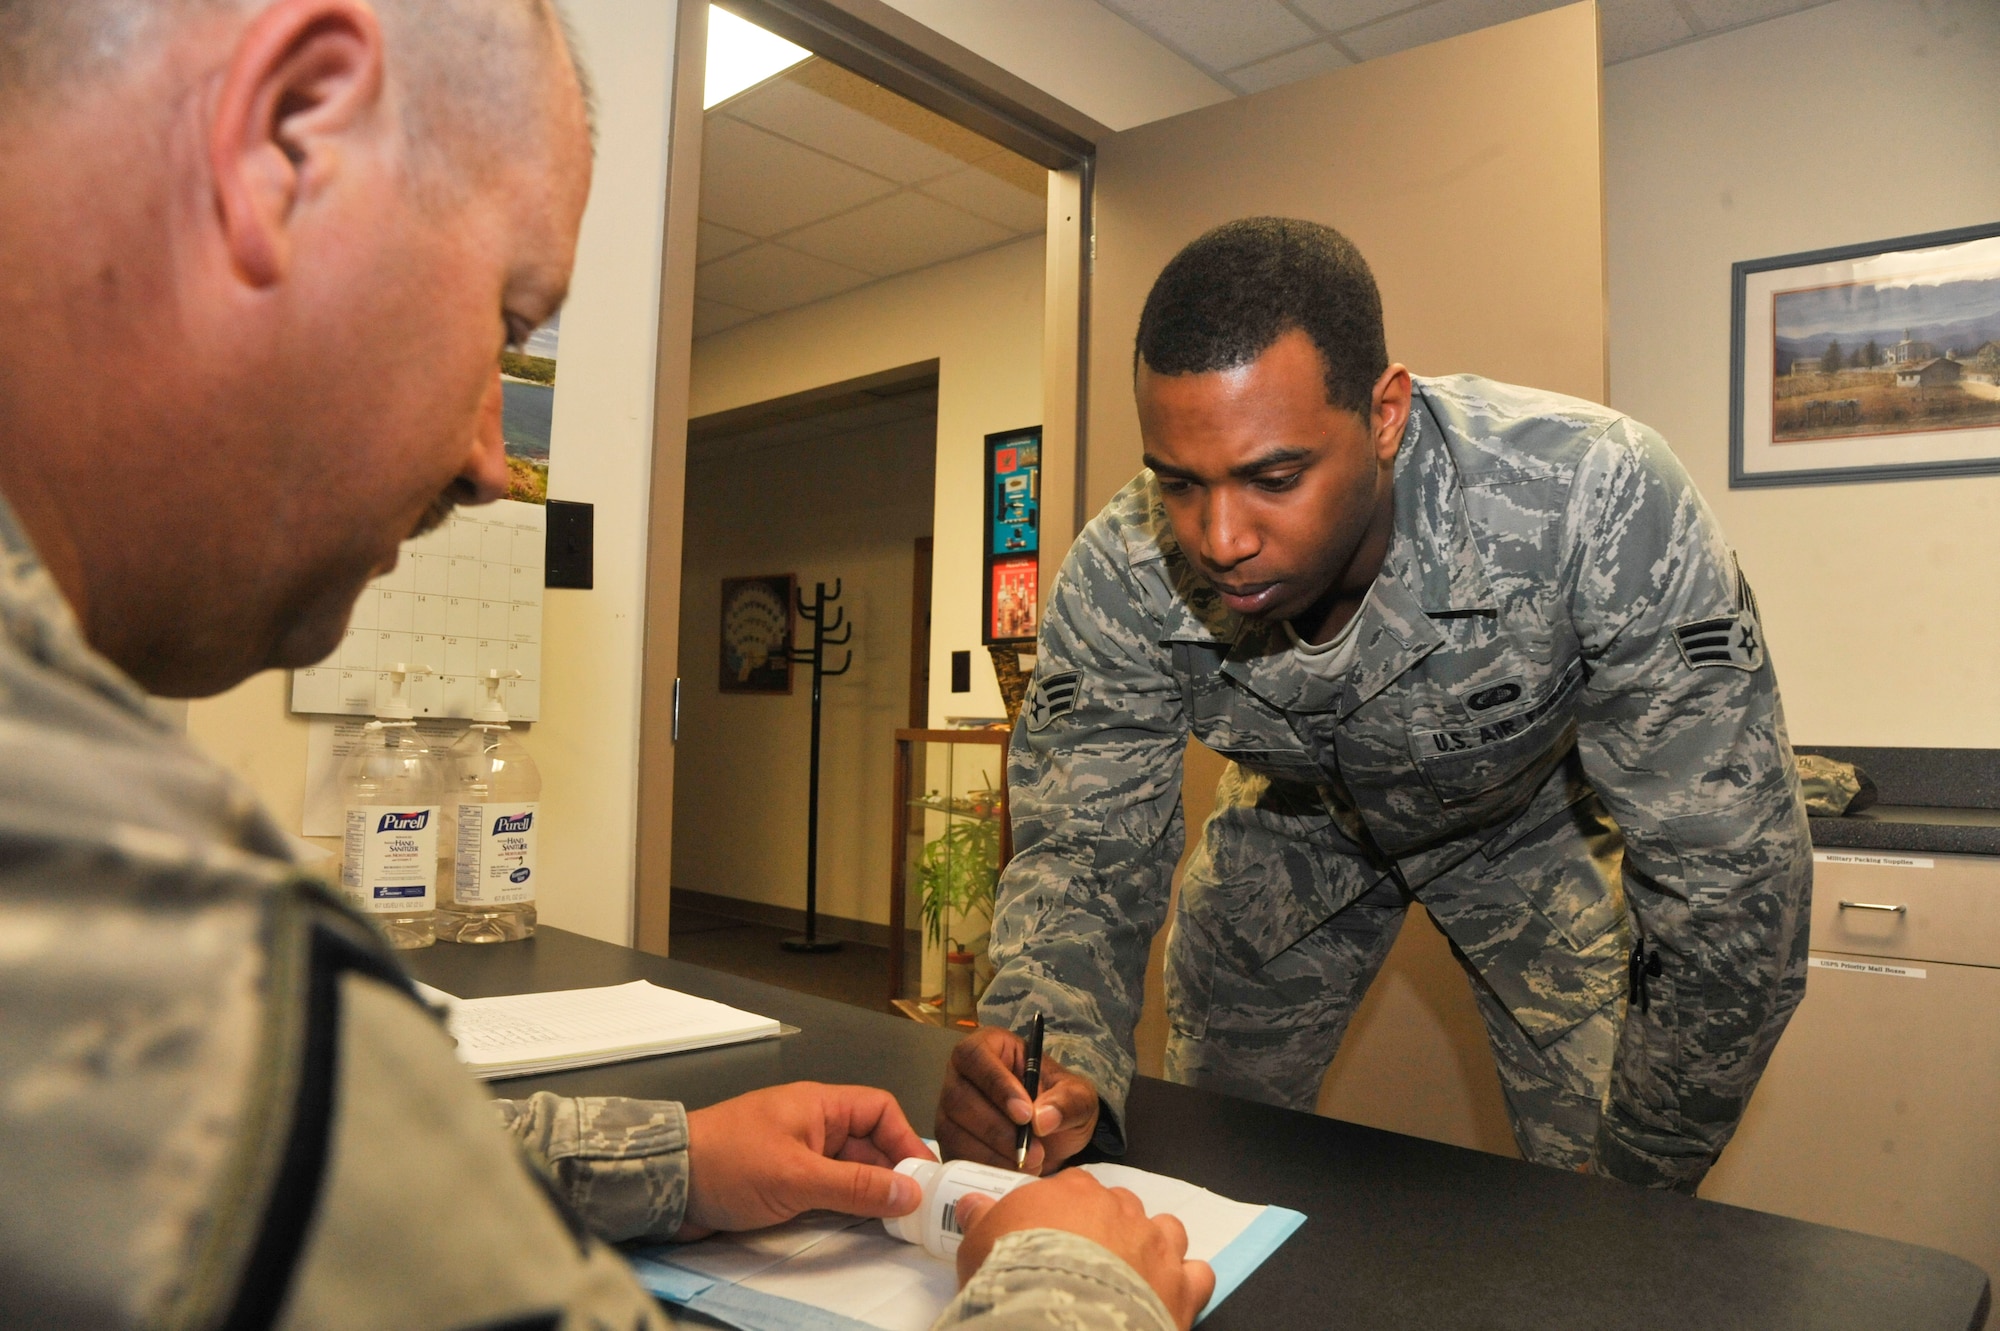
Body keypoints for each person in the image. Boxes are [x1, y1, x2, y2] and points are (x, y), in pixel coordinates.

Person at [0, 2, 1212, 1327]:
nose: (484, 455)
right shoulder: (121, 895)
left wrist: (666, 1155)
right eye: (500, 325)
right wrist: (1077, 1286)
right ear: (288, 138)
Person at [940, 217, 1812, 1194]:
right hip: (1293, 820)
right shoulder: (1120, 573)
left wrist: (1644, 1189)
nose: (1218, 536)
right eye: (1178, 482)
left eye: (1274, 476)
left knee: (1607, 1202)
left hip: (1526, 822)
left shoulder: (1592, 498)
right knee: (1208, 1163)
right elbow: (1080, 860)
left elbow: (1730, 883)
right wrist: (1040, 1069)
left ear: (1385, 413)